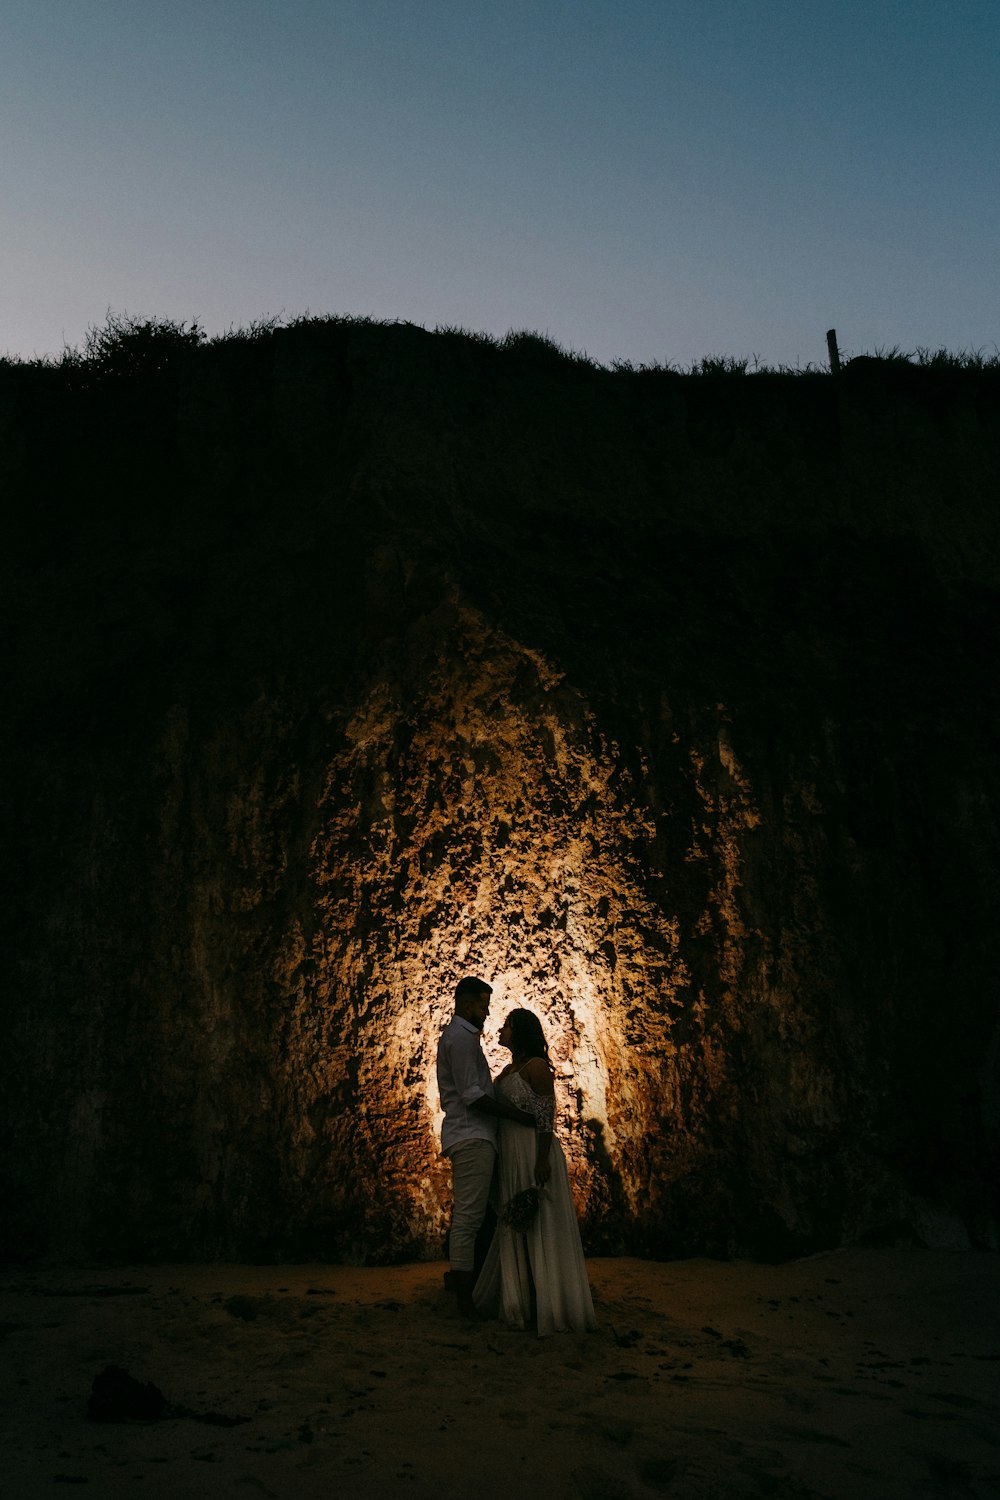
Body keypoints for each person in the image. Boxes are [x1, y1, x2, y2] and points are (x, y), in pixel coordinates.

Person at [473, 1007, 597, 1335]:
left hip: (532, 1151)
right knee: (514, 1221)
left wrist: (541, 1159)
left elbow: (546, 1116)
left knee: (539, 1222)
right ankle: (520, 1301)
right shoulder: (508, 1069)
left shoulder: (537, 1067)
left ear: (521, 1031)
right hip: (511, 1153)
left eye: (507, 1026)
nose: (501, 1030)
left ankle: (549, 1302)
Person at [436, 976, 535, 1318]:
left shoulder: (465, 1038)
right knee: (469, 1218)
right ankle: (465, 1301)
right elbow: (472, 1096)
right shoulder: (461, 1040)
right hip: (471, 1135)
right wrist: (517, 1116)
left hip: (478, 1136)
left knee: (482, 1215)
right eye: (482, 1005)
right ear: (465, 1005)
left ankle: (476, 1285)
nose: (487, 1012)